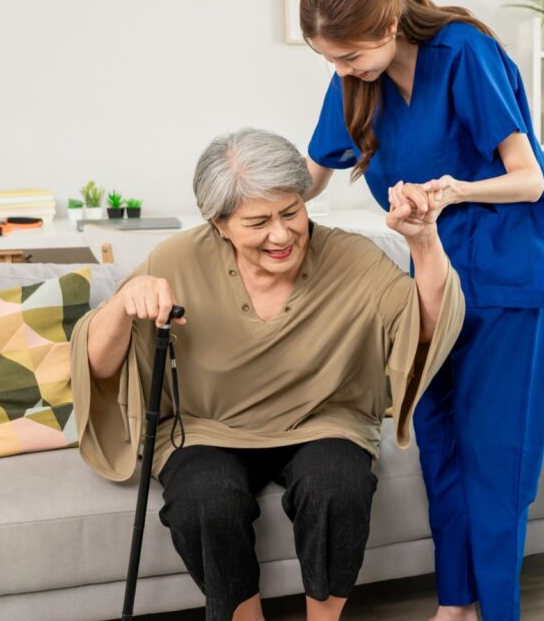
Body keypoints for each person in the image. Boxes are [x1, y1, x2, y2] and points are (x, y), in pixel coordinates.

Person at [69, 128, 464, 621]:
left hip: (323, 421)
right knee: (204, 499)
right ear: (219, 224)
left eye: (291, 213)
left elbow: (425, 329)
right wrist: (123, 307)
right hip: (206, 427)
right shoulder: (177, 259)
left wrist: (424, 243)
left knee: (338, 487)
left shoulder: (352, 259)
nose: (281, 235)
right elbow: (100, 365)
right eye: (258, 222)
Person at [300, 0, 544, 621]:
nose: (340, 71)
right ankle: (454, 603)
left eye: (347, 55)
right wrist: (244, 199)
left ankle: (499, 610)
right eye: (329, 59)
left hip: (517, 273)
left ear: (388, 22)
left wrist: (454, 190)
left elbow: (529, 179)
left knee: (495, 455)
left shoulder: (464, 53)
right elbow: (312, 172)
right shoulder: (355, 79)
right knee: (435, 437)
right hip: (436, 279)